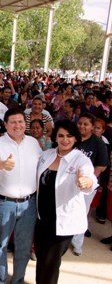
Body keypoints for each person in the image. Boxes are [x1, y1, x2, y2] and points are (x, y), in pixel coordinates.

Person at [35, 119, 97, 284]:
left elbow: (89, 178)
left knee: (50, 262)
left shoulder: (81, 160)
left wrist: (86, 182)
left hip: (63, 222)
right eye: (61, 135)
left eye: (69, 136)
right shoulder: (46, 155)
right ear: (55, 137)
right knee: (41, 258)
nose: (65, 139)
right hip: (42, 220)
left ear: (76, 138)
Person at [0, 108, 42, 284]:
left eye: (20, 122)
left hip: (29, 204)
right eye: (13, 122)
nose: (17, 125)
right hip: (4, 203)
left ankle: (18, 280)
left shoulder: (33, 143)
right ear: (5, 125)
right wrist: (1, 164)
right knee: (1, 245)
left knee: (24, 247)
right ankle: (0, 280)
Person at [71, 112, 108, 256]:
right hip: (68, 181)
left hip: (86, 186)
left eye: (86, 124)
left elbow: (101, 166)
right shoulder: (72, 137)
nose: (82, 126)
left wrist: (89, 181)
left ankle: (77, 243)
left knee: (81, 213)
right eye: (80, 123)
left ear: (92, 127)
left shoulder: (98, 143)